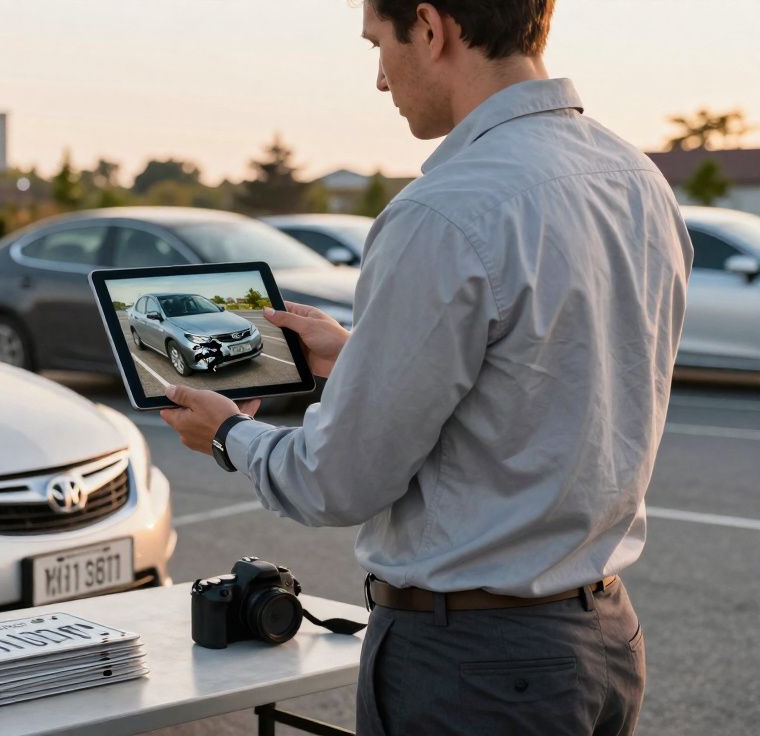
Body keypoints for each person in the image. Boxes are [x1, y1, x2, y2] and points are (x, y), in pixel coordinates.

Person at [159, 1, 692, 733]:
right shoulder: (636, 180)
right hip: (603, 638)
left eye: (379, 44)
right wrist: (362, 355)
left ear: (432, 28)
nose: (380, 79)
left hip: (473, 666)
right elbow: (548, 374)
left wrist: (229, 437)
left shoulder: (445, 211)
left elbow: (334, 481)